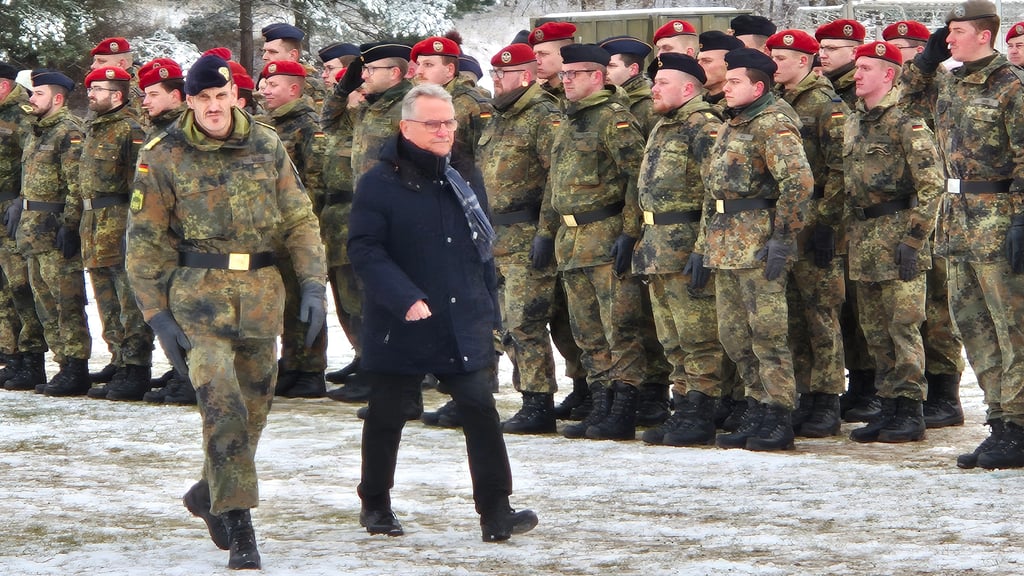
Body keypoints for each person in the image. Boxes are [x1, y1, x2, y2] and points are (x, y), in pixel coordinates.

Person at [125, 54, 327, 569]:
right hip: (198, 300)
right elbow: (145, 243)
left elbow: (298, 218)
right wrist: (157, 315)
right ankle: (240, 529)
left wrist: (312, 284)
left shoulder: (267, 144)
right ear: (189, 102)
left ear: (236, 96)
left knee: (254, 413)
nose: (214, 108)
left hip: (261, 297)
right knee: (224, 411)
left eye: (221, 97)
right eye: (202, 99)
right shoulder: (163, 154)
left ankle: (207, 492)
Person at [349, 83, 537, 542]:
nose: (443, 131)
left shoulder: (463, 173)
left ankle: (496, 510)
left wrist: (487, 306)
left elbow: (480, 247)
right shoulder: (380, 180)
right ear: (406, 127)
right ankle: (375, 502)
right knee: (387, 413)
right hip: (404, 319)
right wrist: (404, 297)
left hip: (461, 315)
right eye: (432, 123)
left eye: (448, 122)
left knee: (479, 407)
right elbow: (365, 248)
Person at [903, 0, 1024, 469]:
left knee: (1011, 329)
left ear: (984, 35)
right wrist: (925, 62)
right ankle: (1000, 419)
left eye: (956, 31)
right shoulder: (949, 83)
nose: (948, 38)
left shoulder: (1010, 86)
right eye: (947, 31)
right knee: (973, 326)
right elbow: (907, 107)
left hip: (998, 219)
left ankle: (1018, 423)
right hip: (958, 221)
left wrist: (1019, 218)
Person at [694, 48, 813, 451]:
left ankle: (779, 412)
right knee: (733, 334)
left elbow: (798, 184)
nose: (725, 88)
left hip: (759, 242)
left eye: (734, 82)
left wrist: (783, 237)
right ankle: (756, 404)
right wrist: (702, 245)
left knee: (768, 334)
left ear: (758, 86)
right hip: (725, 243)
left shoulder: (773, 124)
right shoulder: (733, 124)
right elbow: (712, 191)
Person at [544, 43, 648, 441]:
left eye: (574, 74)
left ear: (597, 77)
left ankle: (623, 408)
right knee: (587, 330)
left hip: (605, 236)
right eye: (564, 74)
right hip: (571, 240)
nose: (565, 80)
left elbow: (636, 180)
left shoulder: (613, 119)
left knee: (618, 327)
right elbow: (555, 186)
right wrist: (545, 232)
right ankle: (601, 403)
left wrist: (629, 232)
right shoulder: (569, 121)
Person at [843, 41, 944, 444]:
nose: (857, 75)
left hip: (898, 235)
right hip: (862, 238)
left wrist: (915, 239)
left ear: (889, 74)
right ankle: (887, 406)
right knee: (875, 331)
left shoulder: (907, 122)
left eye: (866, 68)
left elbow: (933, 184)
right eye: (857, 68)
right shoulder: (854, 121)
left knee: (903, 328)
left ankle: (910, 409)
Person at [633, 53, 725, 447]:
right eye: (654, 81)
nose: (654, 88)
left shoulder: (703, 126)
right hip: (656, 247)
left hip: (686, 243)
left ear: (689, 88)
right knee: (671, 336)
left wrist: (704, 247)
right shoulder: (663, 125)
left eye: (663, 82)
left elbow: (715, 192)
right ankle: (683, 405)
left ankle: (702, 412)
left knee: (698, 336)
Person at [884, 19, 966, 428]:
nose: (901, 57)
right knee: (919, 308)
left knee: (940, 306)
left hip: (942, 203)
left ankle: (946, 394)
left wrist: (931, 66)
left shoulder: (947, 83)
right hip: (912, 207)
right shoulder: (905, 89)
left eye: (906, 48)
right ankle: (928, 391)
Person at [477, 43, 563, 434]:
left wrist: (545, 232)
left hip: (527, 233)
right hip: (495, 234)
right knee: (504, 322)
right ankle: (527, 393)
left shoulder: (543, 115)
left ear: (525, 76)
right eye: (494, 75)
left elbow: (555, 182)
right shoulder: (499, 116)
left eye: (503, 75)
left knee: (526, 322)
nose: (495, 81)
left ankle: (538, 400)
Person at [767, 29, 848, 438]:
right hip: (787, 222)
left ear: (804, 60)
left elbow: (839, 169)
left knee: (821, 313)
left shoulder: (826, 103)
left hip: (815, 218)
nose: (773, 65)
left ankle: (828, 398)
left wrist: (827, 223)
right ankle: (800, 393)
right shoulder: (779, 101)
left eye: (780, 58)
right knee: (793, 314)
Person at [322, 41, 412, 404]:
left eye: (371, 71)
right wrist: (344, 87)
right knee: (366, 299)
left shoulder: (408, 108)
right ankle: (370, 365)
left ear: (394, 73)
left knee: (387, 299)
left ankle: (391, 376)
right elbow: (327, 120)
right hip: (367, 217)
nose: (364, 77)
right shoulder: (371, 109)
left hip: (395, 219)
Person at [75, 66, 154, 401]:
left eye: (98, 89)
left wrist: (133, 226)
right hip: (94, 222)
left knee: (127, 298)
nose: (91, 94)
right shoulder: (94, 127)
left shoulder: (130, 129)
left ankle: (136, 366)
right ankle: (118, 357)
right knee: (105, 297)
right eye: (90, 88)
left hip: (119, 218)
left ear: (117, 95)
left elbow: (138, 184)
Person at [15, 70, 93, 396]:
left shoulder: (68, 133)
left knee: (67, 303)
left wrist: (71, 226)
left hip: (55, 230)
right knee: (44, 304)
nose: (31, 99)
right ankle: (61, 363)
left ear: (57, 98)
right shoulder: (36, 132)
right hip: (32, 231)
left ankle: (75, 366)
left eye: (38, 94)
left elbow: (77, 186)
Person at [260, 60, 329, 399]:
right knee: (286, 300)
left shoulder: (307, 126)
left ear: (294, 89)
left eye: (273, 85)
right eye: (264, 84)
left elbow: (315, 180)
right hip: (272, 229)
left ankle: (312, 369)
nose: (264, 90)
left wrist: (298, 224)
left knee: (306, 298)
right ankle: (292, 362)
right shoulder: (269, 126)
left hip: (297, 227)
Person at [0, 62, 48, 391]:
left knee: (21, 288)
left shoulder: (23, 113)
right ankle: (10, 354)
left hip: (14, 211)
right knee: (2, 290)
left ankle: (32, 359)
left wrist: (21, 201)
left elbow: (34, 162)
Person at [260, 22, 327, 109]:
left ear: (292, 55)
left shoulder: (312, 88)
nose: (264, 57)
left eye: (272, 52)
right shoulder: (263, 80)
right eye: (264, 51)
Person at [815, 19, 865, 108]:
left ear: (854, 52)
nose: (822, 55)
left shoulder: (865, 87)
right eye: (821, 48)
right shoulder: (821, 83)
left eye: (831, 48)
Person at [697, 31, 745, 108]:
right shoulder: (698, 103)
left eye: (706, 61)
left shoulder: (739, 106)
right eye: (698, 60)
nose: (698, 65)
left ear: (729, 63)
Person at [529, 21, 577, 99]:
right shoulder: (539, 94)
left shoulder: (578, 94)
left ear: (564, 54)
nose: (537, 61)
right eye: (535, 54)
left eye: (543, 54)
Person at [138, 58, 187, 133]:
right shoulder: (160, 123)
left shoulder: (192, 127)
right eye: (145, 95)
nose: (145, 101)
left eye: (153, 94)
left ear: (174, 96)